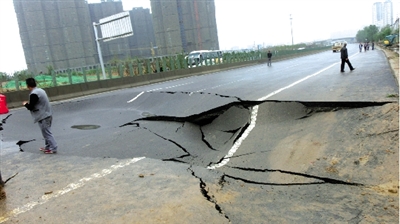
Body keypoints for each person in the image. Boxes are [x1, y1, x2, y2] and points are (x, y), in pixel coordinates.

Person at [23, 78, 58, 154]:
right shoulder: (41, 90)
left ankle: (53, 148)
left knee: (47, 133)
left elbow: (31, 107)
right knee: (45, 132)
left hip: (43, 116)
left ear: (28, 85)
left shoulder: (34, 94)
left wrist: (25, 104)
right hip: (47, 114)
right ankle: (48, 146)